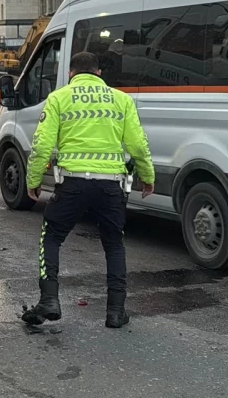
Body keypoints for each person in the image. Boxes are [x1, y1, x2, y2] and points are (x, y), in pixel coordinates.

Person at [22, 51, 154, 329]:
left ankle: (49, 300)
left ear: (71, 74)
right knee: (114, 244)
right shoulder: (122, 100)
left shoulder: (59, 98)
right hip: (111, 186)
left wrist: (33, 180)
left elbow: (42, 146)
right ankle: (116, 312)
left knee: (52, 236)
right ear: (99, 74)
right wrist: (147, 175)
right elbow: (138, 145)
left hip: (72, 184)